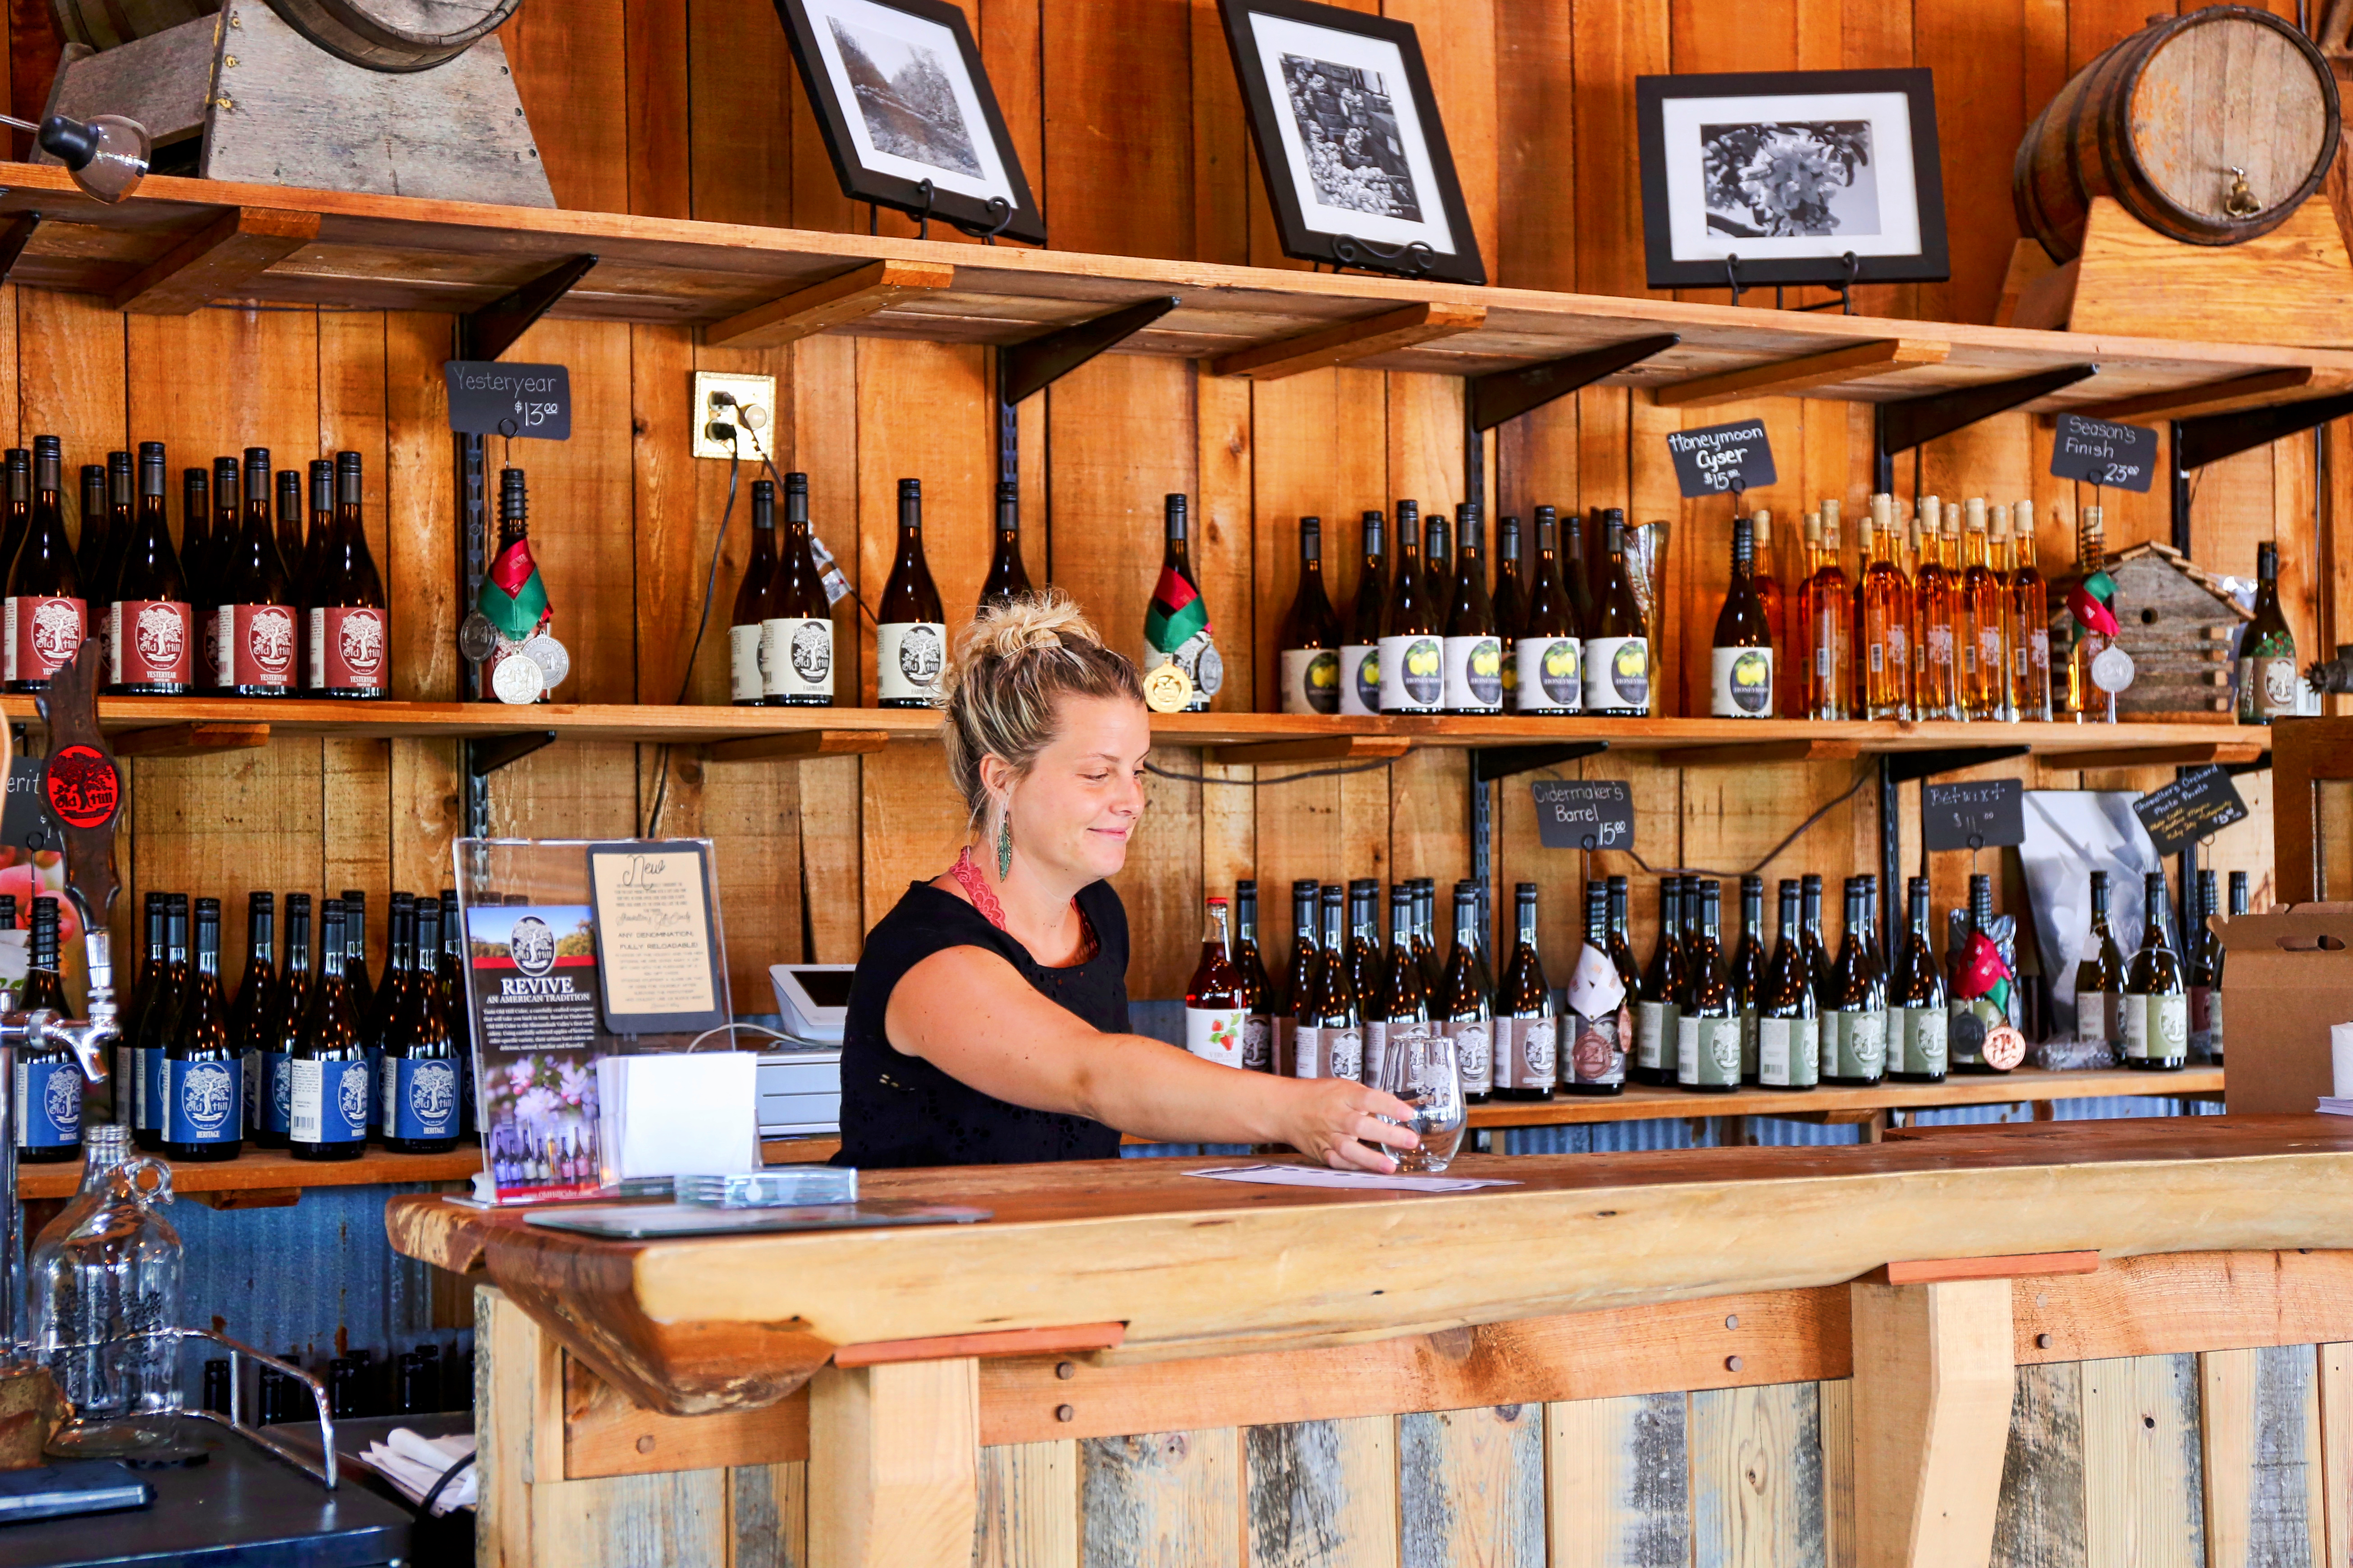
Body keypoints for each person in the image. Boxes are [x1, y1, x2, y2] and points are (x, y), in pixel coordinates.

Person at [836, 591, 1418, 1170]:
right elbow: (1092, 1075)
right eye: (1098, 774)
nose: (1132, 800)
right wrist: (1294, 1109)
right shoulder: (930, 955)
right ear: (1002, 779)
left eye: (1137, 770)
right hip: (936, 1236)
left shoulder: (1097, 913)